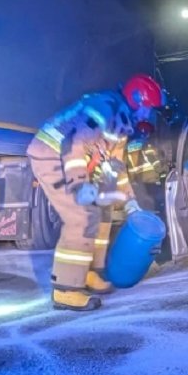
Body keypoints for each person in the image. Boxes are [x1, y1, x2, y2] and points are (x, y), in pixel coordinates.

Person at [28, 73, 165, 311]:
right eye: (147, 108)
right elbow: (74, 145)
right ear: (136, 99)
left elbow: (114, 167)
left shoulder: (122, 125)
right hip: (50, 153)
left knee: (103, 212)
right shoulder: (103, 108)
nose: (148, 115)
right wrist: (80, 185)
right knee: (81, 217)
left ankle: (90, 272)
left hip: (73, 157)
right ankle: (66, 290)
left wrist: (129, 202)